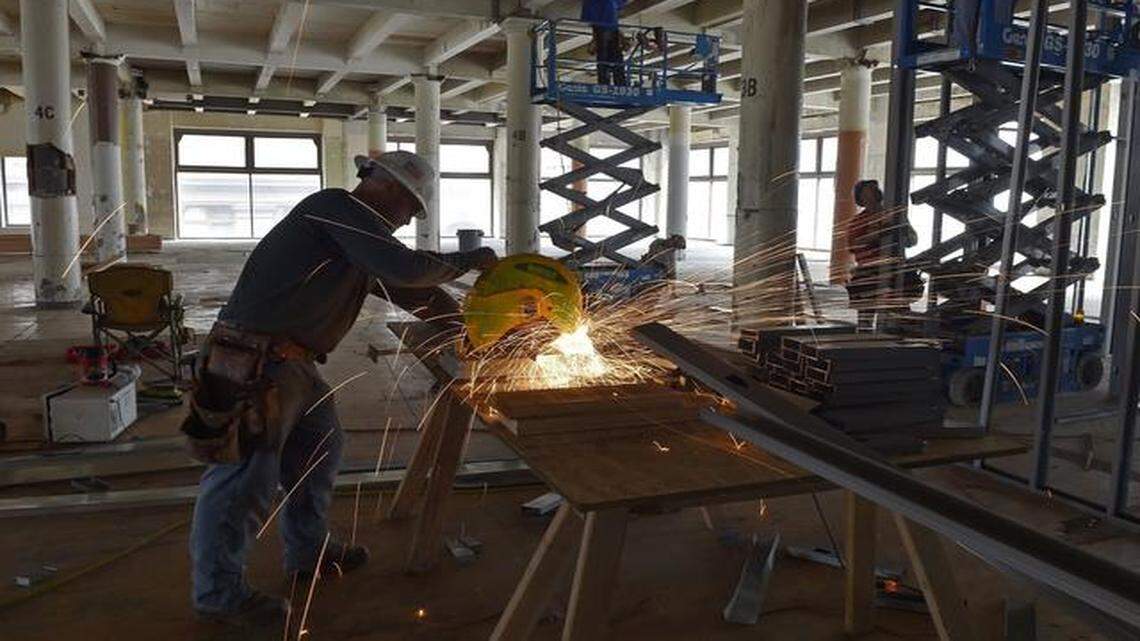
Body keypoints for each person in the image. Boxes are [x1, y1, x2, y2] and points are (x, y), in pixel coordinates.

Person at [182, 151, 498, 630]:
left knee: (320, 452)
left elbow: (413, 293)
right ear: (389, 189)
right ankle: (218, 595)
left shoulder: (358, 241)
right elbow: (408, 270)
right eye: (410, 210)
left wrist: (480, 329)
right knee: (244, 479)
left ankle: (309, 552)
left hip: (295, 366)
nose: (406, 220)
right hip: (251, 362)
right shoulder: (334, 208)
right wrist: (471, 260)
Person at [845, 179, 921, 330]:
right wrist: (878, 233)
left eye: (874, 189)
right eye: (868, 191)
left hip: (895, 271)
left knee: (899, 313)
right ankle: (864, 339)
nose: (874, 193)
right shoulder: (858, 222)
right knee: (866, 315)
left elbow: (912, 240)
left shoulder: (895, 216)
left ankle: (899, 336)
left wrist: (902, 227)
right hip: (869, 273)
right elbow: (853, 246)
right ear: (861, 198)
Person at [582, 0, 627, 86]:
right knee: (612, 55)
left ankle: (606, 81)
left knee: (605, 55)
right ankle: (618, 82)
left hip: (604, 25)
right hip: (608, 25)